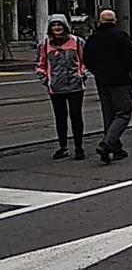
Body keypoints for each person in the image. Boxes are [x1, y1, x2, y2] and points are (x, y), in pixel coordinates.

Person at [82, 10, 132, 163]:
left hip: (102, 81)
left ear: (99, 21)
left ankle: (115, 149)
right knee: (123, 113)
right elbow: (131, 60)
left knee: (108, 115)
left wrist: (97, 72)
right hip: (121, 80)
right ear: (115, 21)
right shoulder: (121, 37)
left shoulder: (93, 39)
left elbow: (86, 59)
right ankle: (107, 143)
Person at [36, 14, 88, 160]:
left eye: (59, 25)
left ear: (65, 26)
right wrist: (45, 79)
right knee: (60, 117)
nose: (57, 27)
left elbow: (84, 60)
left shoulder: (77, 42)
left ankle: (78, 147)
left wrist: (82, 74)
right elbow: (41, 64)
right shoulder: (45, 44)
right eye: (54, 25)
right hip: (56, 87)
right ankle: (63, 146)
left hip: (75, 86)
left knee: (76, 116)